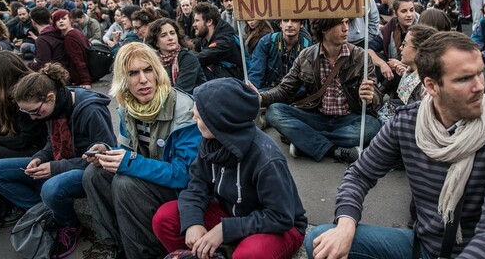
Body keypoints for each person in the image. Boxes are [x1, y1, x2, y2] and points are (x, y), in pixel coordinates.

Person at [305, 31, 485, 259]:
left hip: (481, 252)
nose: (480, 86)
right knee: (321, 242)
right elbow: (359, 175)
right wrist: (345, 225)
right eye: (464, 79)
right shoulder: (407, 122)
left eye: (480, 74)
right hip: (423, 247)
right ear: (432, 86)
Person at [153, 78, 308, 259]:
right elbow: (196, 186)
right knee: (165, 218)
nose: (193, 118)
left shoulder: (267, 158)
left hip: (280, 227)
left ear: (221, 120)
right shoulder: (210, 142)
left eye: (199, 115)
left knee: (250, 254)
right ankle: (206, 254)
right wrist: (192, 221)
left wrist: (225, 230)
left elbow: (280, 217)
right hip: (232, 214)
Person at [82, 42, 201, 259]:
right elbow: (127, 149)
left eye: (148, 70)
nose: (143, 79)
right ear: (123, 80)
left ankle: (145, 253)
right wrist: (108, 153)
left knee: (125, 183)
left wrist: (129, 161)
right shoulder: (127, 107)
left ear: (157, 72)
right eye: (133, 73)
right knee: (94, 174)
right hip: (151, 179)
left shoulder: (183, 108)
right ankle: (115, 247)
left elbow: (186, 175)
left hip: (180, 190)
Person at [0, 63, 115, 258]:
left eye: (35, 112)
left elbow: (105, 158)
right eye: (26, 113)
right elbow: (50, 143)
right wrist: (39, 158)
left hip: (86, 170)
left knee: (51, 188)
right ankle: (46, 212)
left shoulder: (91, 110)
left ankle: (69, 225)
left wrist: (56, 167)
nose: (33, 118)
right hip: (60, 162)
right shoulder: (54, 105)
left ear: (50, 97)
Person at [261, 18, 382, 164]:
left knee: (372, 125)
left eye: (346, 22)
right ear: (324, 29)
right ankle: (334, 150)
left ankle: (305, 141)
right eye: (339, 23)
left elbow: (376, 96)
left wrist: (369, 97)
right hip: (315, 116)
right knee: (274, 111)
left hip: (347, 119)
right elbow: (285, 90)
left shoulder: (360, 56)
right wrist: (260, 98)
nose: (346, 28)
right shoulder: (306, 56)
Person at [0, 52, 47, 236]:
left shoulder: (24, 95)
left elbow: (25, 139)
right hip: (25, 141)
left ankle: (15, 208)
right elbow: (2, 124)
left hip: (37, 149)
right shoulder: (13, 89)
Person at [368, 0, 418, 91]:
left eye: (412, 10)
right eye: (404, 11)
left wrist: (400, 64)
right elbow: (368, 49)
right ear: (395, 13)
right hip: (393, 68)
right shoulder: (390, 28)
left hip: (414, 70)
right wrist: (383, 64)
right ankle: (374, 92)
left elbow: (424, 58)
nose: (409, 15)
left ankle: (380, 92)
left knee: (398, 68)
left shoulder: (421, 27)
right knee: (376, 58)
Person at [145, 18, 206, 94]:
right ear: (156, 42)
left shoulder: (188, 57)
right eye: (163, 35)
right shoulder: (154, 61)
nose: (170, 38)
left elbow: (180, 91)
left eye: (172, 33)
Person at [248, 19, 312, 90]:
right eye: (285, 20)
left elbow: (306, 82)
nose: (289, 25)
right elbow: (256, 75)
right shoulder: (266, 42)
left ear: (301, 24)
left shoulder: (307, 47)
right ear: (280, 24)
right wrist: (251, 91)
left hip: (295, 95)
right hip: (267, 92)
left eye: (294, 20)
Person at [193, 2, 243, 81]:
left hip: (232, 86)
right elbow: (192, 48)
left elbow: (199, 59)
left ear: (209, 22)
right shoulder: (204, 39)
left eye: (197, 21)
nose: (194, 25)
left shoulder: (225, 41)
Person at [52, 9, 92, 89]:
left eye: (64, 19)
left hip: (79, 79)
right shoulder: (76, 31)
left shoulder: (70, 37)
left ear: (70, 20)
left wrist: (85, 80)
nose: (61, 22)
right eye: (58, 20)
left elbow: (78, 59)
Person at [29, 6, 67, 71]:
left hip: (56, 74)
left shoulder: (42, 40)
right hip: (64, 70)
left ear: (33, 22)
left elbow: (42, 64)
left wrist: (28, 66)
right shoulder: (58, 30)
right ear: (50, 19)